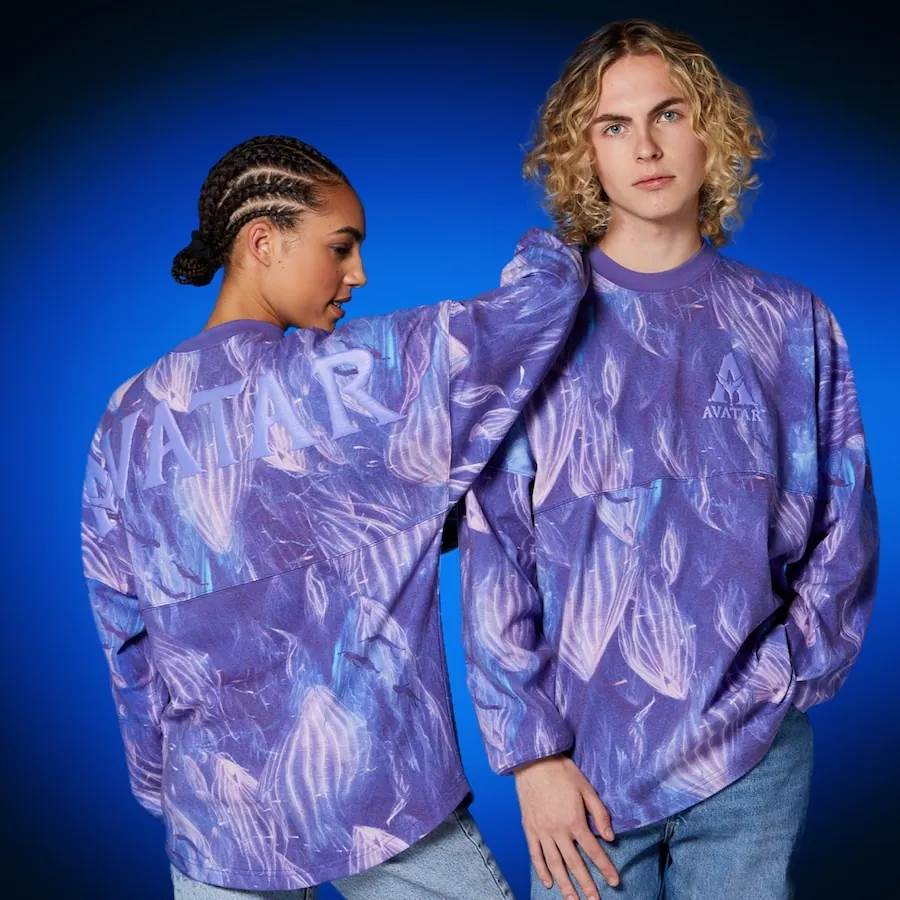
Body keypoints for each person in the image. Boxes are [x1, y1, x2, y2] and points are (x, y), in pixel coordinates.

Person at [80, 134, 588, 898]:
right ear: (262, 242)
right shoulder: (361, 375)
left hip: (215, 813)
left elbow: (123, 629)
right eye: (340, 247)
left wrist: (163, 786)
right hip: (381, 794)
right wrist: (557, 237)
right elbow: (537, 308)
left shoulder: (127, 416)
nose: (358, 274)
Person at [458, 20, 879, 900]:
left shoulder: (790, 323)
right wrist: (532, 758)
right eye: (613, 125)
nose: (645, 147)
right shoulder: (536, 327)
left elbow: (843, 527)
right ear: (584, 154)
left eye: (669, 114)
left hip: (751, 755)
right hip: (582, 769)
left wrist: (782, 679)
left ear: (711, 130)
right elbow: (496, 551)